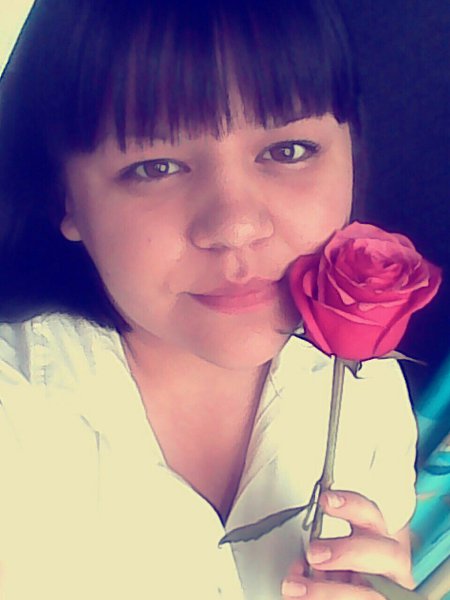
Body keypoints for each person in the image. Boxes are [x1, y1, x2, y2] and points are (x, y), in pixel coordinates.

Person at [0, 0, 418, 598]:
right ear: (65, 196)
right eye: (156, 166)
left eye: (288, 151)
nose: (236, 227)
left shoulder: (368, 390)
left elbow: (388, 557)